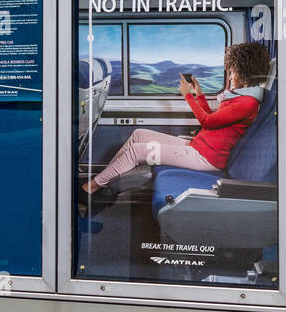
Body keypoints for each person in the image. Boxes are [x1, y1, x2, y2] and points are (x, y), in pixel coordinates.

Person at [84, 41, 272, 196]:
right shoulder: (239, 97)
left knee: (136, 151)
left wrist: (187, 96)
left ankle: (92, 187)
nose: (230, 77)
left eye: (232, 72)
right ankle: (106, 179)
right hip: (199, 147)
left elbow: (207, 122)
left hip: (205, 157)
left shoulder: (247, 102)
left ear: (245, 73)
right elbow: (214, 119)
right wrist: (198, 93)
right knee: (138, 134)